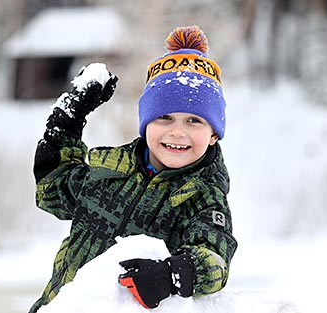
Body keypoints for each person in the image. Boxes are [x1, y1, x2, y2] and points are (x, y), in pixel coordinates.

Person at [29, 25, 237, 312]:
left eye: (194, 121)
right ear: (145, 123)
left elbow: (214, 259)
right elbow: (52, 191)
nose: (177, 132)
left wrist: (171, 275)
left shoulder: (202, 197)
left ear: (214, 134)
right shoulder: (110, 170)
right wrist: (66, 123)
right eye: (164, 117)